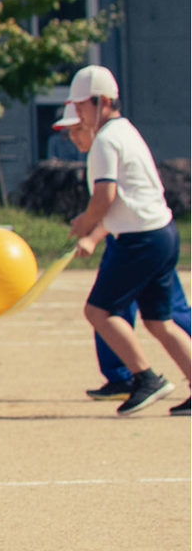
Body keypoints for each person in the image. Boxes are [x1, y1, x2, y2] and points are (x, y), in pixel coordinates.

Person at [64, 65, 191, 416]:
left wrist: (85, 224)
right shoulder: (125, 131)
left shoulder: (106, 139)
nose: (77, 113)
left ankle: (145, 377)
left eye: (81, 106)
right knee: (159, 321)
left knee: (98, 311)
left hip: (140, 240)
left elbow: (105, 196)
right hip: (162, 232)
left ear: (102, 102)